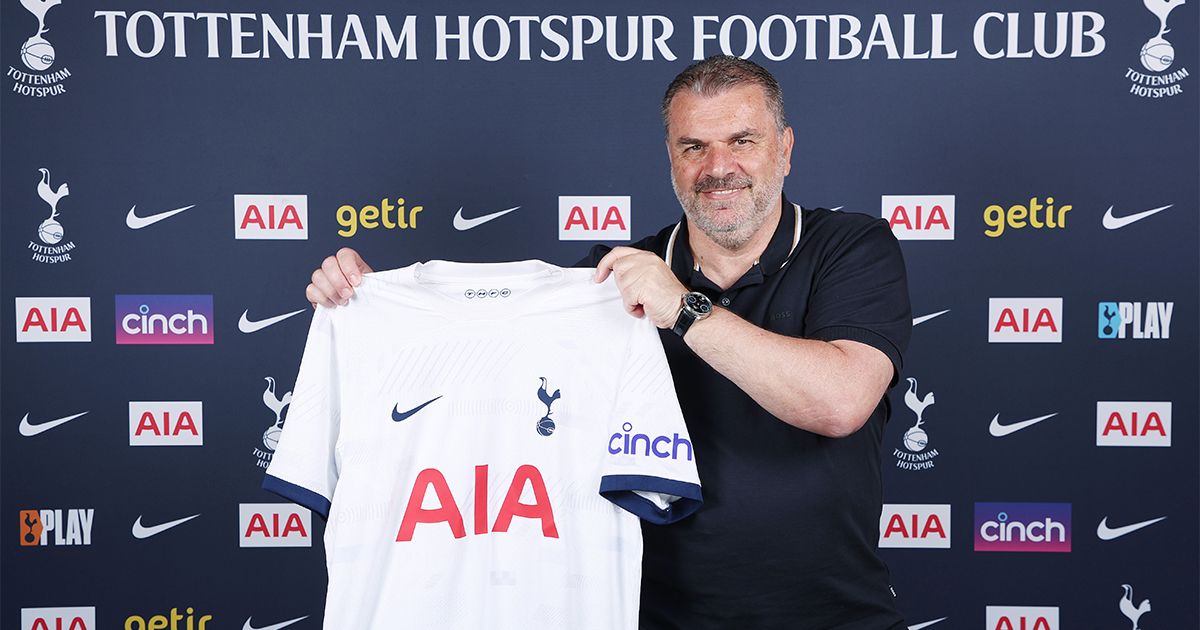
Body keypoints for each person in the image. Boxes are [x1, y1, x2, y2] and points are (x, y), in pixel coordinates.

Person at [306, 56, 911, 629]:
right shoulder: (606, 278)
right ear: (670, 160)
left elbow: (840, 401)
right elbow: (483, 372)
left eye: (743, 141)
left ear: (784, 150)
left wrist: (682, 308)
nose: (717, 166)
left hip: (834, 614)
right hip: (652, 615)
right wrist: (369, 303)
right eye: (693, 146)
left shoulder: (850, 247)